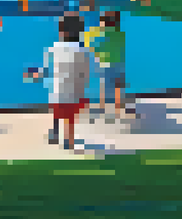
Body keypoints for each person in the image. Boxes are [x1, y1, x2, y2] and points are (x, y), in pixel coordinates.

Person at [26, 13, 94, 151]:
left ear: (62, 31)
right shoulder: (84, 50)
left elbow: (46, 69)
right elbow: (86, 72)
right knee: (70, 117)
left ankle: (55, 132)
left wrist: (35, 75)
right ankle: (69, 139)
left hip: (57, 93)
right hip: (75, 94)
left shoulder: (53, 49)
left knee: (57, 106)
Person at [82, 10, 130, 122]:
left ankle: (102, 107)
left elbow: (89, 43)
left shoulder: (97, 33)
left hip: (103, 64)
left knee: (103, 88)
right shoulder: (120, 34)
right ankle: (118, 109)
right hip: (118, 64)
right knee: (117, 87)